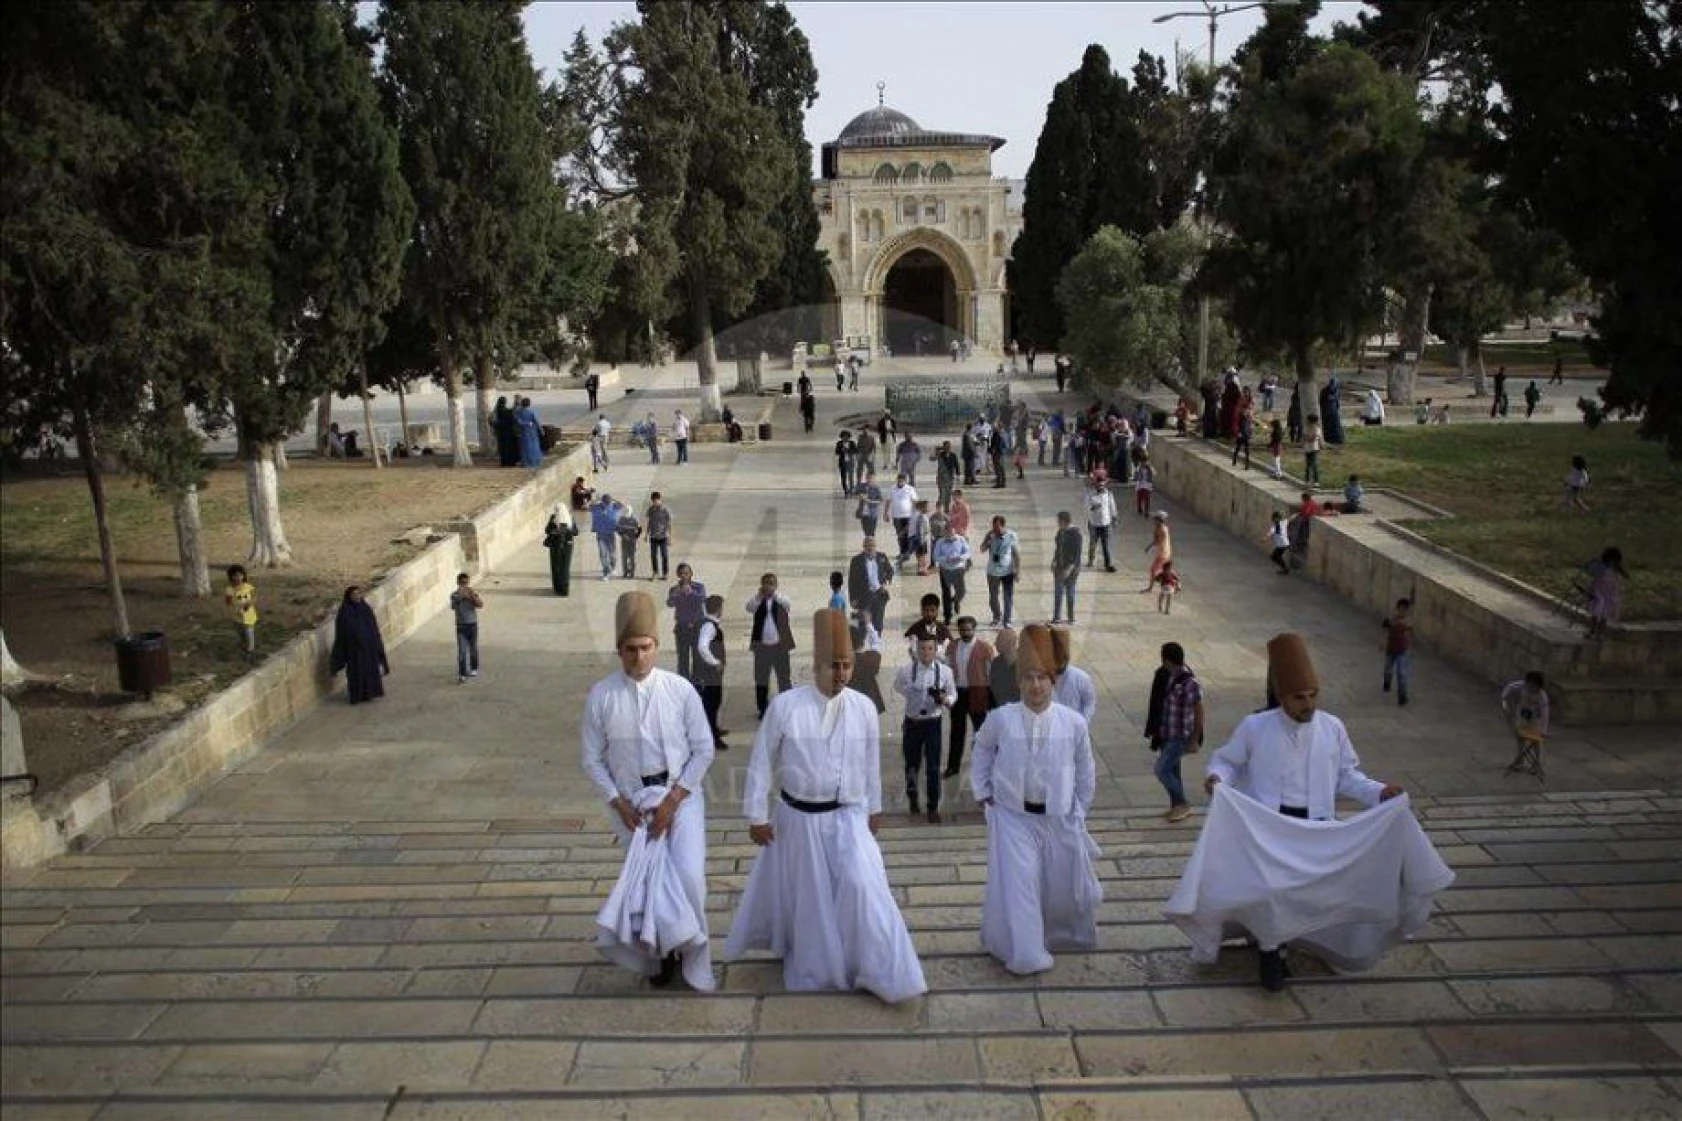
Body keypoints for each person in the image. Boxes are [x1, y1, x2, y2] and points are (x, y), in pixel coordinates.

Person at [726, 612, 930, 1002]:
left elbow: (871, 762)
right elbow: (761, 760)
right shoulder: (786, 706)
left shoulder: (864, 708)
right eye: (833, 666)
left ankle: (880, 969)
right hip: (798, 820)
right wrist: (756, 814)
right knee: (812, 899)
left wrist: (874, 807)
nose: (841, 674)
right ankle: (821, 965)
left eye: (847, 666)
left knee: (862, 885)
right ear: (815, 666)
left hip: (849, 815)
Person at [1201, 633, 1406, 991]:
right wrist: (1217, 778)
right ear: (1283, 698)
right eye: (1299, 698)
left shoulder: (1333, 728)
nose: (1307, 704)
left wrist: (1379, 793)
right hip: (1269, 826)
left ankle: (1287, 943)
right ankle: (1270, 953)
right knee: (1271, 892)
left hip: (1315, 827)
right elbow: (1227, 760)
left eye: (1313, 696)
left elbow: (1347, 776)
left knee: (1305, 894)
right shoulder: (1256, 727)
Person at [581, 592, 717, 990]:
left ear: (657, 647)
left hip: (682, 798)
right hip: (631, 806)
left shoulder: (679, 690)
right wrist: (617, 802)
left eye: (646, 648)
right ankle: (657, 955)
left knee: (689, 877)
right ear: (618, 650)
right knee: (644, 883)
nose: (639, 657)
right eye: (630, 650)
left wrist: (675, 799)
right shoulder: (601, 696)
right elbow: (591, 757)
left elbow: (703, 748)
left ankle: (691, 954)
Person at [970, 624, 1102, 975]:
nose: (1036, 686)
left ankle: (1059, 934)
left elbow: (1085, 770)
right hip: (1013, 816)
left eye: (1042, 677)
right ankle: (1026, 952)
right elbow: (981, 749)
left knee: (1057, 882)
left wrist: (1080, 810)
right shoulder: (1001, 719)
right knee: (1020, 881)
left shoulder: (1073, 723)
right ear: (1019, 682)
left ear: (1053, 681)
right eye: (1028, 678)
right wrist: (983, 792)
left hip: (1058, 817)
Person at [895, 634, 956, 824]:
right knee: (911, 765)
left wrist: (946, 700)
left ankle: (932, 807)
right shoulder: (906, 670)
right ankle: (913, 799)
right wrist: (911, 695)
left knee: (933, 766)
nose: (926, 653)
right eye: (922, 648)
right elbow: (897, 687)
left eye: (930, 648)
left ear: (936, 649)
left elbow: (953, 693)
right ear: (916, 650)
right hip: (913, 722)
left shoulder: (945, 671)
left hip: (932, 723)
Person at [1148, 643, 1204, 823]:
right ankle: (1176, 807)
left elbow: (1199, 712)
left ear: (1167, 660)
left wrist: (1195, 739)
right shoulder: (1171, 677)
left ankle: (1182, 803)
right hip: (1168, 733)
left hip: (1180, 735)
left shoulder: (1190, 682)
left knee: (1161, 770)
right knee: (1173, 770)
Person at [945, 616, 994, 778]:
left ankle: (983, 766)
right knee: (957, 732)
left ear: (974, 629)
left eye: (968, 630)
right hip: (958, 693)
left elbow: (990, 673)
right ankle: (953, 767)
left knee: (980, 732)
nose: (966, 633)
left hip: (978, 694)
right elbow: (947, 669)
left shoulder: (985, 648)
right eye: (963, 630)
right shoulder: (952, 647)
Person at [745, 573, 795, 717]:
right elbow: (749, 607)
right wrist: (759, 597)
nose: (768, 586)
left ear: (776, 585)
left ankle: (787, 705)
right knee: (761, 678)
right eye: (766, 584)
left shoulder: (781, 599)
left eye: (771, 584)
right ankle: (763, 708)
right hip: (762, 647)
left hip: (780, 646)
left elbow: (788, 604)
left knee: (784, 677)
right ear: (761, 585)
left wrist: (775, 596)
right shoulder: (757, 601)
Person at [330, 586, 388, 704]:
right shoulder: (344, 613)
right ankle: (357, 695)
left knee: (370, 671)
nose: (357, 596)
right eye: (354, 594)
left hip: (368, 649)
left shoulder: (365, 609)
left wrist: (378, 648)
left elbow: (374, 629)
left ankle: (369, 694)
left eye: (359, 594)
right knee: (356, 674)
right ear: (349, 597)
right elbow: (341, 636)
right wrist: (336, 663)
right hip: (354, 652)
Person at [693, 594, 728, 750]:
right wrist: (715, 662)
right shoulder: (709, 626)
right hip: (710, 673)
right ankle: (712, 737)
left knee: (713, 702)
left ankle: (714, 729)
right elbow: (702, 647)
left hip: (708, 672)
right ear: (719, 608)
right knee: (711, 703)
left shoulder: (707, 623)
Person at [1500, 671, 1550, 778]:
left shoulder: (1542, 696)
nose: (1533, 689)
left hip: (1535, 719)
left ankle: (1536, 763)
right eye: (1531, 686)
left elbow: (1545, 714)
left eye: (1535, 687)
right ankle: (1520, 760)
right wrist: (1505, 701)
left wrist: (1544, 731)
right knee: (1520, 738)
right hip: (1522, 715)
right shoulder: (1520, 686)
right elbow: (1508, 689)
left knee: (1535, 740)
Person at [1048, 627, 1097, 727]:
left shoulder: (1081, 678)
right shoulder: (1040, 679)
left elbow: (1090, 701)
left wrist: (1083, 721)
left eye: (1061, 660)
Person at [667, 563, 707, 681]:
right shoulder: (674, 589)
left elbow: (702, 599)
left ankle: (698, 681)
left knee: (697, 656)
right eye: (682, 573)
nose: (684, 576)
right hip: (682, 627)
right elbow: (670, 603)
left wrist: (690, 592)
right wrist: (677, 592)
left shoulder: (698, 587)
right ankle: (683, 681)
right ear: (678, 575)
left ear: (691, 574)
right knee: (683, 657)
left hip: (697, 626)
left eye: (687, 573)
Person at [848, 536, 894, 635]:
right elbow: (852, 581)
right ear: (863, 547)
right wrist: (852, 598)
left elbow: (890, 570)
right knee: (863, 622)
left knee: (878, 622)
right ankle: (860, 643)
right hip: (863, 595)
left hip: (879, 594)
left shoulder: (882, 557)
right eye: (868, 546)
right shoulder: (856, 560)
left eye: (872, 545)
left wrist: (887, 581)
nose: (870, 548)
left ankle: (876, 643)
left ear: (875, 546)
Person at [981, 516, 1020, 627]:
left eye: (997, 527)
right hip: (992, 572)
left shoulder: (1012, 535)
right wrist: (988, 541)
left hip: (1007, 571)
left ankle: (1007, 619)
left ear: (1003, 525)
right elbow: (982, 549)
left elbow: (1016, 555)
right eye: (994, 526)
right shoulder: (990, 534)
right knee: (993, 596)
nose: (995, 530)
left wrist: (1018, 571)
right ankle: (996, 616)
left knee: (1008, 596)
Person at [932, 521, 973, 625]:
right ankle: (947, 616)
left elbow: (967, 553)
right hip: (945, 569)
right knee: (946, 593)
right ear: (945, 532)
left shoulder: (961, 539)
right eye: (948, 532)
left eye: (952, 532)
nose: (950, 534)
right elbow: (936, 556)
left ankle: (956, 600)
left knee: (961, 591)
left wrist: (960, 557)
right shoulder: (940, 542)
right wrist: (946, 559)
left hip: (958, 569)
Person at [848, 608, 887, 714]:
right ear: (861, 642)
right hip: (869, 703)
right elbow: (877, 643)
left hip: (851, 706)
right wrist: (869, 624)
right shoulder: (870, 659)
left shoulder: (843, 664)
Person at [1585, 546, 1626, 639]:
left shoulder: (1617, 573)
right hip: (1599, 595)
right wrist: (1590, 590)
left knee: (1604, 617)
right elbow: (1593, 580)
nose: (1612, 563)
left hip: (1608, 598)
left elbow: (1618, 585)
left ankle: (1599, 634)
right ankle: (1591, 631)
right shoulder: (1601, 569)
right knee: (1595, 614)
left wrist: (1617, 596)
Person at [450, 572, 483, 684]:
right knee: (462, 651)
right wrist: (461, 597)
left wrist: (471, 596)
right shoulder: (454, 595)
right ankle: (462, 673)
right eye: (462, 583)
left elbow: (480, 605)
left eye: (466, 583)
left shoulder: (472, 593)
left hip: (472, 625)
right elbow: (453, 606)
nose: (465, 585)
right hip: (461, 626)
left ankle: (474, 668)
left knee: (473, 648)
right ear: (458, 583)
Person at [1380, 597, 1414, 705]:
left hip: (1402, 651)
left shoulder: (1407, 622)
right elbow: (1385, 631)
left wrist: (1408, 646)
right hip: (1391, 649)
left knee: (1401, 673)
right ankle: (1387, 682)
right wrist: (1383, 643)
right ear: (1397, 609)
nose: (1402, 612)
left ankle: (1402, 696)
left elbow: (1409, 634)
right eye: (1401, 609)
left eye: (1405, 610)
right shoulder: (1390, 620)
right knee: (1388, 670)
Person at [222, 565, 259, 663]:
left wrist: (250, 603)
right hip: (237, 616)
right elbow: (228, 602)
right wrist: (233, 605)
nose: (238, 578)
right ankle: (245, 646)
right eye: (235, 576)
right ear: (231, 577)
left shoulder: (248, 587)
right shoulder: (229, 589)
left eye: (240, 575)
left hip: (249, 615)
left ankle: (250, 652)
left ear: (243, 576)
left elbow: (254, 596)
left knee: (249, 632)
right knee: (241, 633)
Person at [1051, 511, 1081, 626]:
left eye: (1059, 521)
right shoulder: (1060, 532)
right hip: (1059, 566)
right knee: (1058, 592)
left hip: (1071, 569)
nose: (1057, 523)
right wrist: (1054, 560)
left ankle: (1071, 617)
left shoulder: (1075, 533)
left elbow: (1077, 552)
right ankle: (1056, 617)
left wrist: (1069, 568)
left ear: (1064, 521)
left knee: (1070, 592)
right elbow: (1058, 548)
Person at [886, 474, 920, 566]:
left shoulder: (910, 489)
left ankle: (907, 553)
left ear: (905, 481)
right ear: (897, 480)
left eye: (902, 481)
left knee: (908, 535)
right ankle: (902, 552)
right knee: (900, 535)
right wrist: (886, 513)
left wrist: (916, 515)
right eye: (899, 480)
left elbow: (915, 502)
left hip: (908, 516)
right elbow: (888, 501)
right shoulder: (892, 488)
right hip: (896, 516)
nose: (901, 482)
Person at [1084, 480, 1117, 572]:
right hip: (1094, 523)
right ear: (1095, 485)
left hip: (1105, 523)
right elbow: (1086, 507)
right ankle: (1091, 560)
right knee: (1093, 543)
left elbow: (1112, 507)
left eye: (1102, 485)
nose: (1101, 487)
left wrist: (1114, 518)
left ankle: (1108, 564)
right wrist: (1093, 507)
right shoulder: (1090, 494)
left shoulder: (1109, 494)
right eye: (1099, 485)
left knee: (1105, 545)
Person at [987, 627, 1020, 708]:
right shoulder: (996, 662)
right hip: (1000, 712)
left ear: (1010, 643)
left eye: (999, 640)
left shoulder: (1026, 664)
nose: (995, 643)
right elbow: (992, 689)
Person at [645, 493, 672, 581]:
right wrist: (646, 534)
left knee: (664, 555)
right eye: (653, 501)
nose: (655, 502)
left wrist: (670, 537)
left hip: (663, 536)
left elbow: (669, 524)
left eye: (656, 500)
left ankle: (665, 573)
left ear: (660, 499)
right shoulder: (651, 509)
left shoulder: (665, 510)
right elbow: (649, 522)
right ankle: (655, 572)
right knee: (653, 555)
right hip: (653, 536)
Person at [1143, 511, 1172, 591]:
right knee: (1165, 569)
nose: (1153, 521)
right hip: (1165, 552)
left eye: (1155, 519)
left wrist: (1149, 547)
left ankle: (1150, 588)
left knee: (1153, 569)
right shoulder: (1161, 527)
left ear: (1160, 520)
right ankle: (1174, 583)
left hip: (1163, 553)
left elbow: (1157, 541)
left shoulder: (1162, 529)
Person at [615, 503, 643, 580]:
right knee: (624, 558)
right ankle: (625, 573)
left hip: (632, 542)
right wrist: (622, 535)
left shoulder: (635, 520)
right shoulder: (621, 519)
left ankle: (632, 573)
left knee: (632, 558)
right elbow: (617, 529)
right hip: (624, 541)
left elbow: (640, 530)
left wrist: (636, 537)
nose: (626, 515)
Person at [515, 397, 543, 468]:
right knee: (534, 446)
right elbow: (536, 421)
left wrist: (524, 424)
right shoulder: (531, 411)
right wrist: (541, 430)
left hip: (523, 432)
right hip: (532, 431)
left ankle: (525, 462)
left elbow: (518, 421)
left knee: (524, 447)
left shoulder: (518, 412)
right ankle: (534, 462)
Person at [854, 472, 883, 539]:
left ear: (874, 479)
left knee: (872, 531)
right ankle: (868, 545)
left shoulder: (876, 488)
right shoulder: (861, 486)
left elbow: (880, 500)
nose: (869, 480)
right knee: (866, 531)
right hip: (863, 512)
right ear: (865, 478)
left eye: (871, 478)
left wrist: (871, 501)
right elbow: (854, 495)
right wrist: (860, 496)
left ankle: (871, 546)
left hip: (873, 513)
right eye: (868, 478)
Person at [909, 499, 933, 576]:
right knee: (922, 555)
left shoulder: (921, 516)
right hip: (922, 539)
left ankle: (920, 569)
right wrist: (921, 541)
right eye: (927, 507)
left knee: (920, 554)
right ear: (923, 508)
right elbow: (920, 530)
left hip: (919, 538)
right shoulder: (922, 517)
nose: (929, 508)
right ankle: (922, 570)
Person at [492, 397, 517, 467]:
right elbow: (509, 417)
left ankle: (503, 462)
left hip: (500, 431)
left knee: (502, 448)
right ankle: (509, 462)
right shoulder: (503, 410)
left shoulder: (497, 409)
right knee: (509, 447)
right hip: (507, 431)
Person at [1267, 511, 1291, 575]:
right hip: (1283, 544)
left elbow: (1269, 534)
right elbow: (1290, 518)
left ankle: (1285, 569)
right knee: (1276, 556)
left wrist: (1265, 538)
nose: (1273, 520)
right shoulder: (1283, 523)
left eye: (1274, 519)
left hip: (1282, 544)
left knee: (1274, 557)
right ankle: (1285, 569)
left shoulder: (1277, 526)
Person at [834, 431, 857, 496]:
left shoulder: (852, 443)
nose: (845, 438)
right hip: (842, 462)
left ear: (849, 437)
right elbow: (836, 452)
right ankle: (845, 489)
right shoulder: (839, 443)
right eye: (843, 437)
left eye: (847, 436)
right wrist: (841, 450)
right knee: (843, 477)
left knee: (851, 476)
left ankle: (851, 489)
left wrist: (849, 450)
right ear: (841, 437)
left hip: (850, 462)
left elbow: (856, 450)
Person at [1303, 416, 1323, 486]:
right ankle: (1307, 480)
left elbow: (1314, 438)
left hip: (1314, 448)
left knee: (1314, 465)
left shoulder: (1317, 429)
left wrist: (1309, 438)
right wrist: (1308, 438)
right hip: (1307, 448)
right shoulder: (1306, 428)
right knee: (1307, 465)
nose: (1307, 422)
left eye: (1308, 420)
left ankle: (1316, 481)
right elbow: (1304, 437)